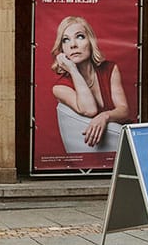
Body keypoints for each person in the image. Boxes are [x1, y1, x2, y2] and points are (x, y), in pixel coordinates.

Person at [50, 16, 130, 148]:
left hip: (122, 143)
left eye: (80, 36)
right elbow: (90, 110)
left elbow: (124, 110)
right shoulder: (59, 87)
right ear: (62, 49)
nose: (73, 44)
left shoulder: (110, 69)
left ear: (90, 41)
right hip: (90, 151)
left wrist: (104, 116)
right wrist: (72, 70)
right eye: (66, 40)